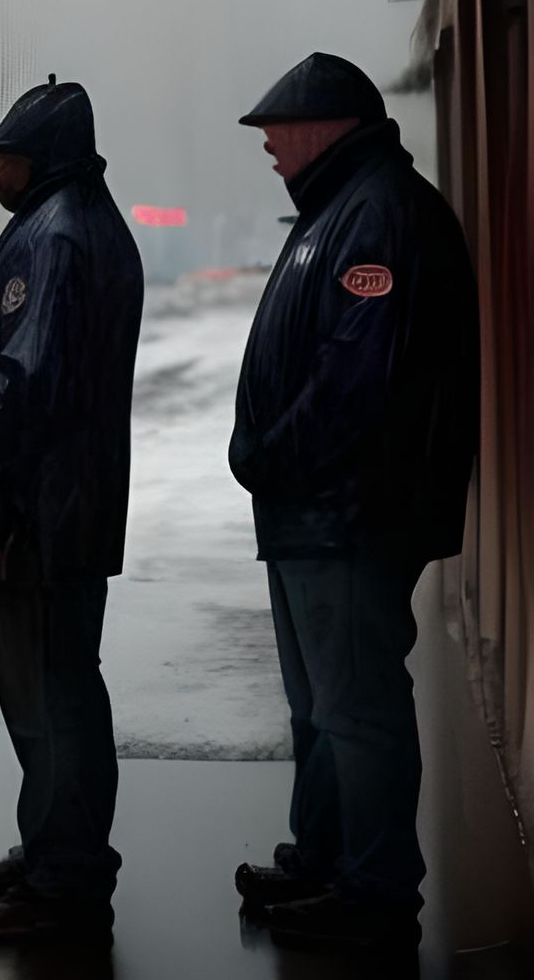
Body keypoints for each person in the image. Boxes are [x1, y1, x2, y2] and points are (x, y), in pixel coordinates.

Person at [228, 53, 478, 953]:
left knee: (356, 703)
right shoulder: (340, 209)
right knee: (319, 704)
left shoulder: (373, 216)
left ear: (325, 127)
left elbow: (355, 385)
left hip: (345, 513)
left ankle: (373, 888)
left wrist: (268, 455)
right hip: (313, 514)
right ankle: (327, 858)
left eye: (274, 129)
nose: (266, 145)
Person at [0, 78, 143, 949]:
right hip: (67, 506)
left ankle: (63, 886)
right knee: (56, 690)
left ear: (40, 158)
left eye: (3, 156)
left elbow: (21, 393)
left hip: (41, 516)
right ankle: (55, 852)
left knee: (51, 695)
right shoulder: (81, 224)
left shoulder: (52, 239)